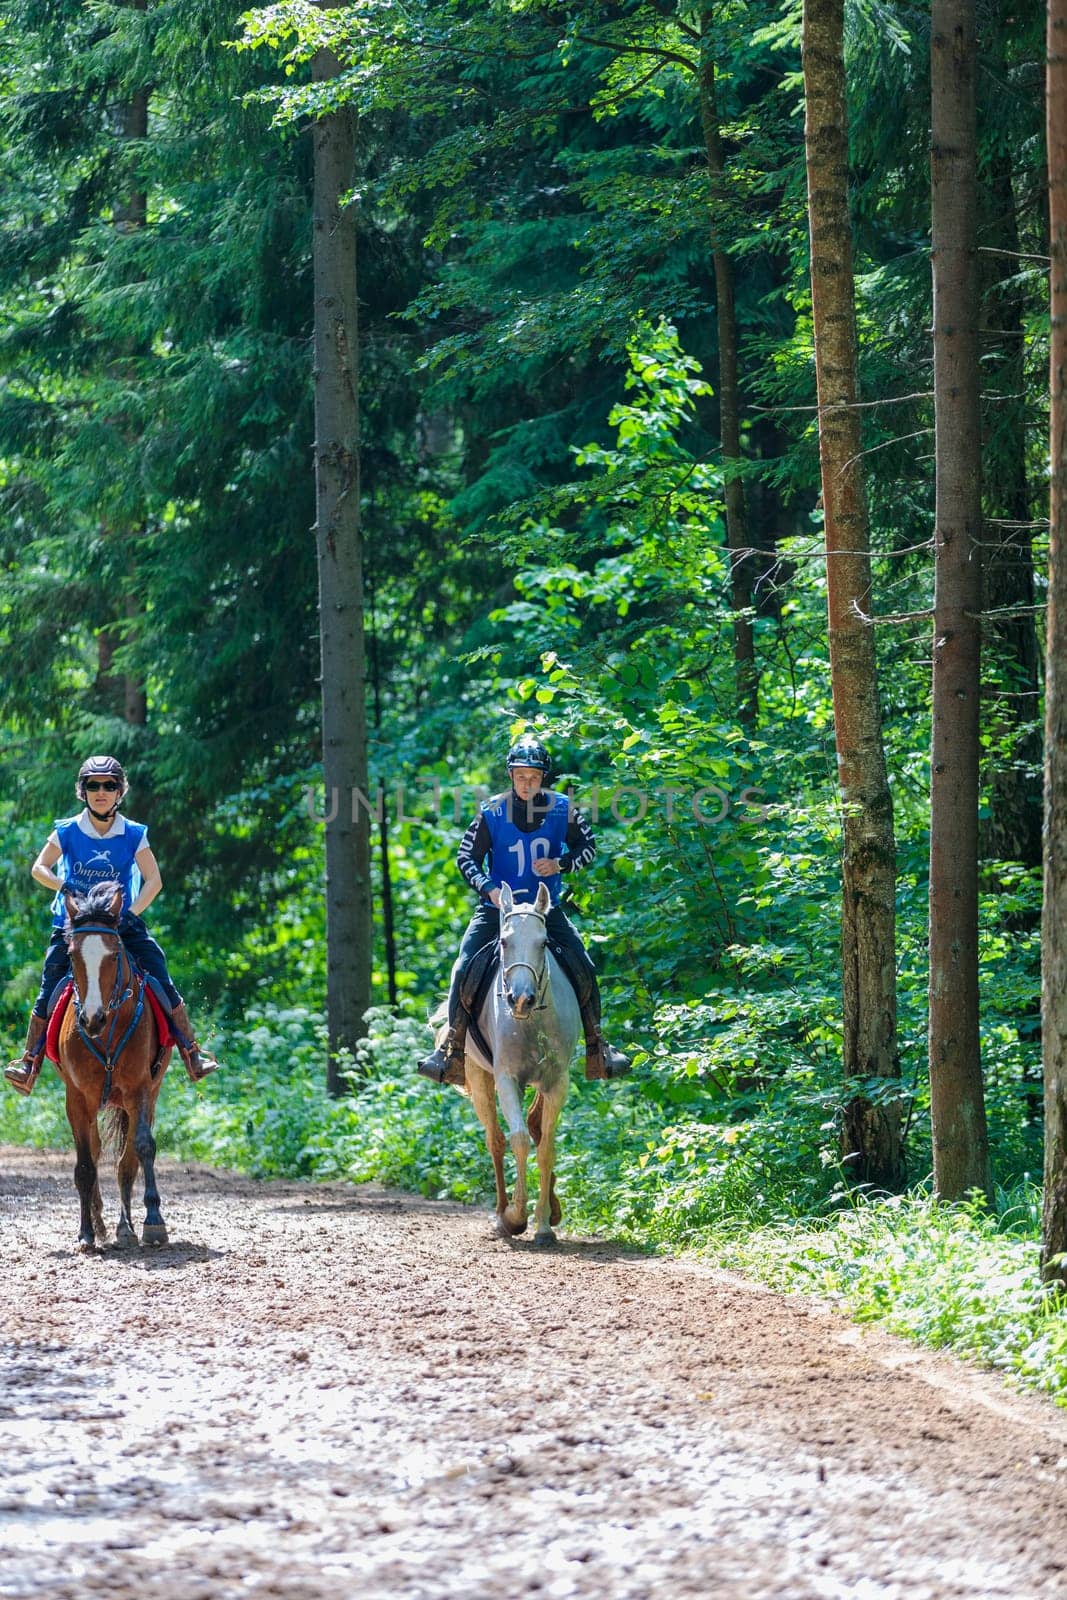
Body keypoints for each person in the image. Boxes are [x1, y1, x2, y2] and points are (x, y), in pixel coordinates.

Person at [418, 736, 632, 1085]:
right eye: (521, 775)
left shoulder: (563, 809)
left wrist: (562, 863)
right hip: (497, 910)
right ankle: (450, 1051)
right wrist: (489, 890)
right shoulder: (491, 812)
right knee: (463, 965)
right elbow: (465, 858)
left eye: (534, 776)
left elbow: (589, 846)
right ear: (511, 775)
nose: (527, 782)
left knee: (584, 963)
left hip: (545, 910)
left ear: (543, 778)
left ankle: (598, 1046)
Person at [4, 755, 219, 1095]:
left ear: (120, 791)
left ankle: (191, 1052)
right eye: (93, 785)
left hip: (120, 924)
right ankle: (29, 1061)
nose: (101, 792)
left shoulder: (133, 833)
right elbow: (39, 868)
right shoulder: (67, 831)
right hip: (72, 925)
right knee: (50, 986)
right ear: (83, 791)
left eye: (109, 785)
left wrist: (131, 914)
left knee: (159, 974)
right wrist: (63, 886)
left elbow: (154, 880)